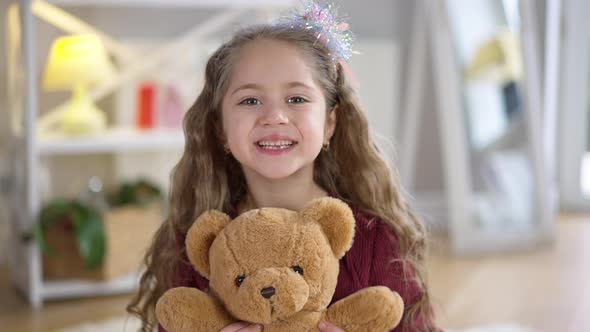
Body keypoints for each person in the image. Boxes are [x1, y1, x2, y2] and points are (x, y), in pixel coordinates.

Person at [127, 2, 439, 331]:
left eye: (297, 99)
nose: (275, 116)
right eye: (250, 100)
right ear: (220, 127)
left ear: (329, 123)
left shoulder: (373, 240)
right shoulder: (197, 243)